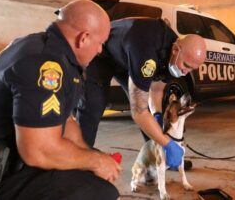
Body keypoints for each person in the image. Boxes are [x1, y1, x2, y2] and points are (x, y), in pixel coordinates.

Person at [0, 0, 122, 200]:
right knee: (99, 193)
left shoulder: (47, 49)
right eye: (100, 43)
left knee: (88, 177)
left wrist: (92, 156)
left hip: (5, 157)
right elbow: (39, 150)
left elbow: (65, 121)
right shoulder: (46, 64)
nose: (101, 50)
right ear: (83, 38)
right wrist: (95, 162)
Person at [76, 17, 206, 170]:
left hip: (127, 57)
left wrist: (157, 114)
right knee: (94, 104)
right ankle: (79, 163)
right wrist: (168, 143)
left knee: (151, 114)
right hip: (103, 55)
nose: (185, 71)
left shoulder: (175, 58)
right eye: (186, 65)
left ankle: (158, 157)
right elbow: (138, 112)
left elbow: (156, 88)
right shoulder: (147, 52)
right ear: (176, 49)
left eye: (191, 69)